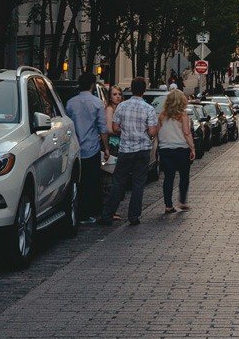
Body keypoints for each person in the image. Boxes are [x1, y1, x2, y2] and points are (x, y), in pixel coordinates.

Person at [102, 77, 159, 226]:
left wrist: (126, 130)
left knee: (118, 181)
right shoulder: (149, 109)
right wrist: (144, 131)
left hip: (126, 149)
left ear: (131, 89)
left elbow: (114, 128)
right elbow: (153, 131)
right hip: (143, 150)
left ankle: (108, 214)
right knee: (138, 183)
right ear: (144, 90)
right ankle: (134, 216)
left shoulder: (122, 106)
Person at [64, 73, 109, 225]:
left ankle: (77, 211)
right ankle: (88, 212)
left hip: (74, 148)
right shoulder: (97, 103)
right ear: (92, 85)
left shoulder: (70, 103)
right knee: (91, 181)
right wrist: (107, 148)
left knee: (77, 181)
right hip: (92, 147)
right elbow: (102, 128)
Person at [156, 89, 196, 214]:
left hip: (165, 150)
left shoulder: (162, 115)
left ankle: (168, 205)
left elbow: (157, 132)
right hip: (181, 149)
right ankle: (182, 202)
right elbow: (186, 132)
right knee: (184, 176)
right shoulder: (183, 115)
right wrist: (192, 148)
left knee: (168, 178)